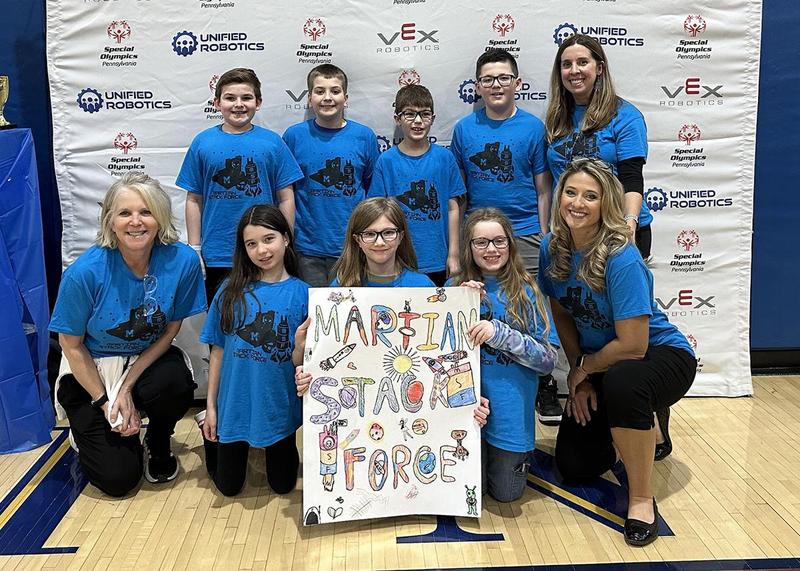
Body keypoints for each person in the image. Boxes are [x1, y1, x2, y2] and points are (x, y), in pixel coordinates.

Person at [537, 158, 696, 547]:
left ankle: (641, 499)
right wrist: (580, 373)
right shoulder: (551, 247)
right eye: (571, 192)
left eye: (590, 196)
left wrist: (584, 371)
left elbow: (633, 345)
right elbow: (561, 311)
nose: (578, 203)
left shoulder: (620, 256)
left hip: (659, 355)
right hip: (603, 361)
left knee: (626, 384)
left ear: (605, 203)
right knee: (576, 466)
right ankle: (638, 422)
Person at [49, 173, 206, 496]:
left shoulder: (182, 261)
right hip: (91, 369)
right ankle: (98, 432)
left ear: (160, 217)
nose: (136, 222)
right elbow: (71, 346)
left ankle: (158, 439)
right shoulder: (84, 273)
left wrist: (127, 386)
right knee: (118, 480)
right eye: (125, 213)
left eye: (146, 212)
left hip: (146, 361)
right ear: (110, 220)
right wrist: (106, 400)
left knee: (174, 384)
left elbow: (172, 327)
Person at [450, 48, 560, 426]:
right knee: (478, 309)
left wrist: (543, 235)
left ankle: (543, 384)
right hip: (479, 235)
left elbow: (543, 187)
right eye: (487, 79)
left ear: (517, 83)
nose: (495, 85)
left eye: (502, 78)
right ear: (477, 87)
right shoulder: (465, 129)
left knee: (528, 313)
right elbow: (459, 191)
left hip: (526, 233)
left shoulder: (533, 127)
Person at [448, 208, 559, 503]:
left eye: (499, 241)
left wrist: (502, 334)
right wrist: (458, 304)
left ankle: (518, 458)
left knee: (506, 495)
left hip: (509, 417)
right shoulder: (453, 288)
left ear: (510, 243)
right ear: (469, 248)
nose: (491, 249)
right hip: (463, 414)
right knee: (470, 493)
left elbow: (548, 361)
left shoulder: (527, 292)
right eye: (481, 242)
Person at [198, 205, 308, 497]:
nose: (262, 250)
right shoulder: (229, 290)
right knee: (228, 488)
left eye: (268, 239)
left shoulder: (304, 293)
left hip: (277, 405)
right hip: (234, 403)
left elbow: (300, 362)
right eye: (251, 243)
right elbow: (218, 351)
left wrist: (299, 345)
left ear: (286, 238)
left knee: (283, 486)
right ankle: (210, 438)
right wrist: (211, 407)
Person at [178, 67, 303, 303]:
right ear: (217, 103)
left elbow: (286, 197)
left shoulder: (272, 143)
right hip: (217, 254)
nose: (238, 104)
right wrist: (195, 248)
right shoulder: (202, 142)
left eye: (246, 98)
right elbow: (194, 199)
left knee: (266, 317)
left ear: (258, 102)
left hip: (264, 251)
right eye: (230, 98)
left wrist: (286, 241)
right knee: (222, 324)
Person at [545, 34, 652, 259]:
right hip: (571, 230)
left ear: (600, 68)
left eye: (583, 62)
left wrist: (629, 225)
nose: (574, 70)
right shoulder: (556, 117)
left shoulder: (625, 116)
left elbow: (632, 177)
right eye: (567, 64)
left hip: (616, 229)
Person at [283, 64, 379, 287]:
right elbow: (286, 192)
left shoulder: (364, 137)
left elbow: (372, 191)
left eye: (335, 91)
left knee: (349, 315)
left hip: (351, 247)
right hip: (307, 249)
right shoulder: (294, 136)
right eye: (320, 91)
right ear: (309, 98)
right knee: (314, 316)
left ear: (346, 98)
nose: (327, 97)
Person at [368, 84, 465, 286]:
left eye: (425, 114)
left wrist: (454, 253)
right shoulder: (386, 161)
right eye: (410, 114)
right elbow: (377, 212)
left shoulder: (445, 158)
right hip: (398, 259)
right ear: (397, 119)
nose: (418, 121)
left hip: (438, 259)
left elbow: (453, 208)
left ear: (433, 118)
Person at [330, 197, 435, 288]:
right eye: (370, 234)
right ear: (357, 240)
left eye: (388, 232)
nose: (379, 242)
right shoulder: (341, 286)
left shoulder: (422, 286)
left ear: (401, 237)